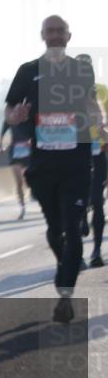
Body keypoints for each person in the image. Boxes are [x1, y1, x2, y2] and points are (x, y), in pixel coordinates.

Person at [4, 16, 106, 322]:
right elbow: (9, 110)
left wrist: (99, 123)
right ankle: (65, 265)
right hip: (43, 164)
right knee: (54, 228)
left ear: (69, 35)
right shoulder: (28, 71)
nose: (56, 35)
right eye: (50, 31)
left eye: (60, 31)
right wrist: (16, 115)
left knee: (73, 228)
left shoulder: (81, 69)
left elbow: (90, 103)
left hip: (76, 161)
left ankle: (65, 294)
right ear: (42, 36)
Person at [76, 54, 107, 267]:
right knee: (77, 201)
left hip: (98, 152)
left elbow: (102, 123)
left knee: (97, 200)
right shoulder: (63, 95)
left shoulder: (99, 93)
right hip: (75, 155)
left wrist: (103, 131)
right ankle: (76, 252)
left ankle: (96, 252)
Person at [0, 116, 32, 220]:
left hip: (28, 151)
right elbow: (3, 133)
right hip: (15, 152)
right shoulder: (9, 118)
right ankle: (22, 207)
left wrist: (32, 141)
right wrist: (1, 145)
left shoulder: (28, 116)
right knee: (19, 182)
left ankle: (36, 195)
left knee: (30, 180)